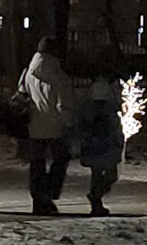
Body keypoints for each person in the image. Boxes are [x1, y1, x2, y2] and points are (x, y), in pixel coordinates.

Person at [19, 36, 76, 215]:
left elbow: (21, 95)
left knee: (37, 163)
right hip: (55, 127)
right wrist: (69, 124)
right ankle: (49, 193)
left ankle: (38, 199)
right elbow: (63, 104)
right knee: (61, 159)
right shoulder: (59, 76)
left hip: (34, 125)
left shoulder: (28, 72)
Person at [79, 61, 125, 217]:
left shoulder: (98, 88)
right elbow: (105, 113)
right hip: (103, 138)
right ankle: (96, 198)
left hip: (97, 138)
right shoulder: (102, 89)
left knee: (98, 173)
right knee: (108, 173)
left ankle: (96, 201)